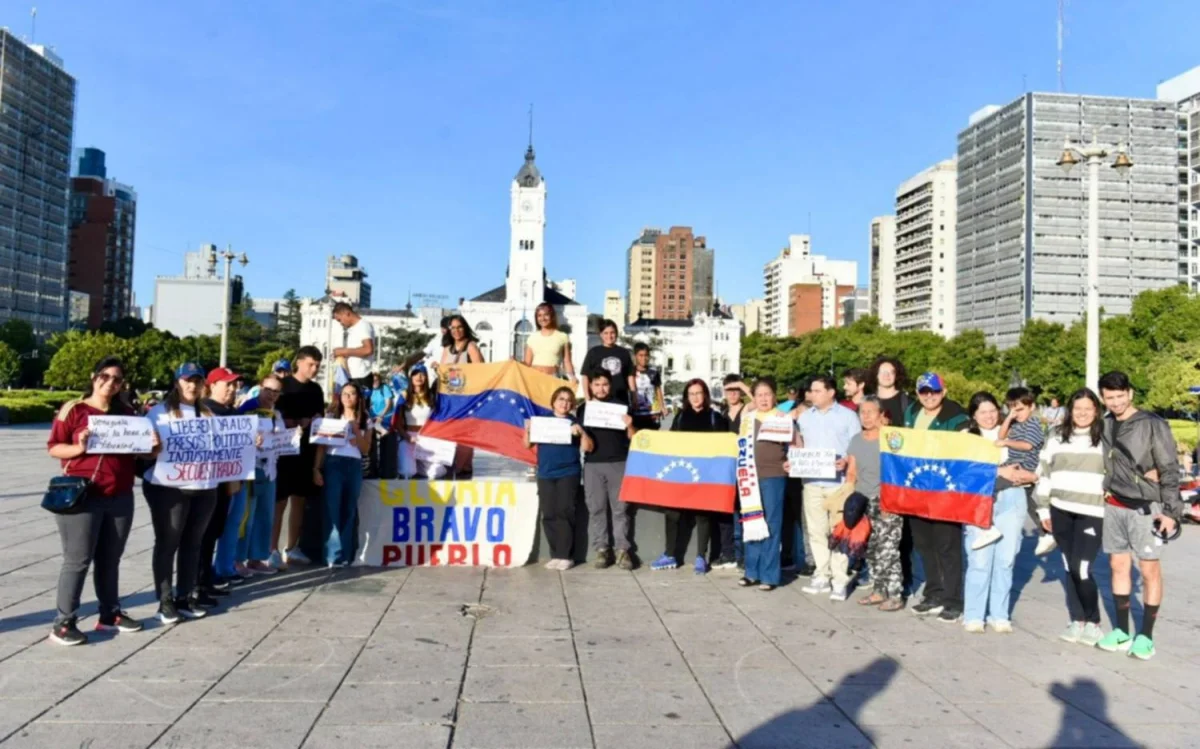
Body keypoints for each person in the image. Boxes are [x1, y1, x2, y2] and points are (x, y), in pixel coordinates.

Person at [46, 357, 149, 645]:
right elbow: (54, 448)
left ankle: (109, 613)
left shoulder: (128, 414)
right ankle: (63, 622)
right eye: (105, 376)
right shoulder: (75, 410)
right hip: (83, 495)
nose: (110, 383)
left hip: (120, 496)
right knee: (78, 559)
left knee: (110, 559)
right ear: (94, 377)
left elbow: (140, 454)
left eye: (117, 379)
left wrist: (151, 446)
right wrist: (79, 447)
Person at [1095, 371, 1182, 660]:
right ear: (1103, 398)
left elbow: (1169, 467)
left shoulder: (1152, 424)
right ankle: (1121, 631)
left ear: (1130, 393)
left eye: (1121, 396)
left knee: (1149, 570)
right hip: (1114, 505)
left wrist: (1171, 512)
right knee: (1118, 566)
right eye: (1110, 397)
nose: (1116, 402)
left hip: (1147, 508)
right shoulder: (1106, 424)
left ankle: (1146, 636)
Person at [143, 363, 219, 623]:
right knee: (168, 542)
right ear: (177, 382)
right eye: (187, 380)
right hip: (168, 488)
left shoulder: (208, 414)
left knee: (193, 543)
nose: (192, 385)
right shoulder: (158, 413)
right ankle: (165, 600)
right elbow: (142, 451)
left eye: (197, 380)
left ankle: (185, 595)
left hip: (204, 487)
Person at [962, 392, 1039, 634]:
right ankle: (974, 614)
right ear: (974, 415)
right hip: (980, 502)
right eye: (982, 412)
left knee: (1006, 559)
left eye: (992, 410)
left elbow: (1036, 457)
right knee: (980, 559)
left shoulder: (1015, 431)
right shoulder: (967, 437)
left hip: (1013, 499)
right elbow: (964, 471)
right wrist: (999, 472)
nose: (988, 416)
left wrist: (1032, 475)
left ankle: (999, 614)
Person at [1035, 388, 1107, 647]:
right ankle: (1077, 620)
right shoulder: (1055, 437)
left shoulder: (1106, 437)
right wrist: (1043, 510)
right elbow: (1044, 473)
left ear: (1096, 410)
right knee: (1068, 565)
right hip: (1060, 509)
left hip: (1093, 511)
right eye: (1078, 409)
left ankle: (1094, 622)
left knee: (1083, 568)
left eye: (1088, 408)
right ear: (1069, 411)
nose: (1083, 413)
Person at [903, 372, 970, 623]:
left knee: (948, 546)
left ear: (944, 391)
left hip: (945, 489)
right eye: (924, 391)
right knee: (924, 544)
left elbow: (965, 446)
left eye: (934, 391)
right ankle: (934, 592)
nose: (929, 396)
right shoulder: (911, 412)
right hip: (917, 489)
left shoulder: (956, 415)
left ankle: (953, 599)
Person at [652, 379, 733, 574]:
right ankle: (670, 554)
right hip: (682, 474)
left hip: (706, 476)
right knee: (672, 513)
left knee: (703, 515)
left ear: (705, 395)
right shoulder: (680, 417)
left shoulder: (715, 418)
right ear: (687, 397)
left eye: (699, 393)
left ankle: (700, 557)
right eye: (692, 394)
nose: (696, 397)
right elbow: (671, 441)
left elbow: (724, 446)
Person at [796, 375, 862, 601]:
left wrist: (846, 460)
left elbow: (856, 446)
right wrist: (793, 460)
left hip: (839, 484)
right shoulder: (805, 418)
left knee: (839, 533)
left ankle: (840, 579)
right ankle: (822, 574)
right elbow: (800, 446)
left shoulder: (848, 416)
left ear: (831, 392)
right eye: (811, 391)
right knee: (816, 531)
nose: (811, 395)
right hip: (812, 482)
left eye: (816, 391)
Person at [738, 377, 797, 591]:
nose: (763, 398)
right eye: (759, 395)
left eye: (767, 394)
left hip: (774, 476)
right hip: (750, 476)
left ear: (774, 396)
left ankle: (770, 575)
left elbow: (797, 445)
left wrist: (793, 461)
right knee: (751, 520)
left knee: (772, 524)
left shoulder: (782, 417)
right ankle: (751, 571)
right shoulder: (748, 418)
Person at [525, 386, 592, 570]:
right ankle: (555, 554)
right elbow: (527, 444)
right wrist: (528, 430)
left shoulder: (574, 421)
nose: (565, 403)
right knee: (549, 513)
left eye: (569, 400)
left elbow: (587, 447)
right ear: (553, 401)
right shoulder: (542, 420)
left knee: (565, 511)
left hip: (568, 473)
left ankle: (566, 555)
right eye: (561, 399)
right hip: (546, 473)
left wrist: (581, 432)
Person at [850, 396, 904, 612]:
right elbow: (852, 472)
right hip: (864, 501)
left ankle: (895, 594)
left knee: (888, 550)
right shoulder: (856, 440)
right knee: (871, 550)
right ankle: (879, 591)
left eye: (871, 411)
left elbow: (899, 471)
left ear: (882, 415)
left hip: (887, 500)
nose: (866, 416)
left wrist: (890, 501)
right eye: (862, 412)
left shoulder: (892, 438)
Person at [273, 346, 326, 569]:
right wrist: (297, 423)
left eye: (317, 366)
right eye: (310, 364)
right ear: (299, 362)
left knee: (300, 501)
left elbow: (320, 418)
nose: (314, 369)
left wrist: (313, 421)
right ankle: (271, 549)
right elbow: (274, 418)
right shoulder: (283, 387)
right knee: (279, 502)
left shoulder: (316, 390)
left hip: (307, 451)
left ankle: (292, 547)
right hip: (284, 451)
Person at [579, 370, 637, 570]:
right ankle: (602, 549)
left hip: (619, 463)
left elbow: (633, 438)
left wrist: (630, 426)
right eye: (597, 384)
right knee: (596, 509)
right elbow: (585, 445)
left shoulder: (622, 407)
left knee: (621, 510)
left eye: (605, 384)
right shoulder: (583, 409)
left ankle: (622, 550)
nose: (601, 388)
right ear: (591, 387)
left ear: (610, 386)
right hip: (593, 464)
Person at [866, 356, 914, 594]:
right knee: (875, 534)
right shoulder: (867, 401)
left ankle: (903, 581)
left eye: (891, 371)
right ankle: (879, 583)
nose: (886, 375)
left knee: (900, 533)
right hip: (871, 472)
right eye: (882, 371)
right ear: (875, 374)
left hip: (897, 472)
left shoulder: (907, 402)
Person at [202, 367, 248, 602]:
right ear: (212, 385)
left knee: (219, 528)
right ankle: (202, 577)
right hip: (208, 482)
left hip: (229, 481)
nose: (232, 388)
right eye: (226, 384)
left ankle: (210, 576)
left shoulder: (234, 412)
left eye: (234, 384)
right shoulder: (204, 411)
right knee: (206, 531)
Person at [313, 383, 372, 567]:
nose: (348, 397)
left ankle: (346, 554)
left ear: (358, 397)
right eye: (345, 394)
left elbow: (366, 448)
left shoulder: (365, 419)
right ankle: (332, 554)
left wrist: (355, 430)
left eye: (352, 394)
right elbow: (322, 446)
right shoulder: (331, 417)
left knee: (349, 509)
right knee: (332, 508)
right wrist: (316, 468)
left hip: (353, 465)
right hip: (334, 463)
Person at [236, 375, 286, 576]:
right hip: (251, 468)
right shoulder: (247, 409)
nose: (271, 395)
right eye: (268, 390)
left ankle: (256, 558)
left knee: (265, 516)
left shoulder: (277, 413)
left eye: (276, 392)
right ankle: (238, 559)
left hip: (270, 469)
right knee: (246, 517)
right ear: (260, 388)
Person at [996, 387, 1052, 555]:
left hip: (1024, 466)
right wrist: (1008, 419)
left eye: (1020, 409)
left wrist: (1007, 443)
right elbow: (1000, 435)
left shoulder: (1033, 424)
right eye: (1013, 409)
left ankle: (1046, 530)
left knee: (994, 487)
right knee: (1026, 502)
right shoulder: (1015, 423)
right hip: (1013, 465)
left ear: (1031, 407)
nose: (1017, 413)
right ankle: (1046, 530)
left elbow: (1027, 445)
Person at [394, 364, 446, 479]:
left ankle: (418, 463)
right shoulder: (404, 395)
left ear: (426, 377)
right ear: (410, 377)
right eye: (415, 374)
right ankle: (411, 463)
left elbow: (445, 383)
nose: (419, 376)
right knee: (407, 472)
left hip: (427, 438)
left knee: (436, 472)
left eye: (422, 373)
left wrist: (439, 370)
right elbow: (397, 422)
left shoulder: (432, 396)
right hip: (408, 437)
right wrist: (408, 437)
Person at [722, 375, 750, 569]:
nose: (732, 394)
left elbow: (760, 402)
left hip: (743, 465)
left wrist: (743, 385)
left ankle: (744, 555)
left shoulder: (746, 409)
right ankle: (730, 552)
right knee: (729, 511)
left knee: (743, 512)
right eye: (728, 390)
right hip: (726, 467)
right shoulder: (722, 412)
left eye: (735, 390)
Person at [581, 319, 635, 407]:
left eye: (612, 332)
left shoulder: (624, 352)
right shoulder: (593, 352)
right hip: (598, 399)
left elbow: (630, 376)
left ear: (616, 333)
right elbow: (585, 376)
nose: (609, 336)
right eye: (605, 333)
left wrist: (634, 396)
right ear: (601, 335)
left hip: (620, 399)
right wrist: (587, 397)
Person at [523, 302, 577, 383]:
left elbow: (567, 361)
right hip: (534, 380)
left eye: (546, 315)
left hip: (553, 379)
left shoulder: (563, 337)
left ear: (552, 316)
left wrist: (572, 377)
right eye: (539, 315)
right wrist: (514, 362)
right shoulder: (532, 338)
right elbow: (527, 363)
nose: (543, 318)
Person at [332, 302, 376, 390]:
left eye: (340, 320)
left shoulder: (363, 325)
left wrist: (344, 351)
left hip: (361, 376)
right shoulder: (352, 329)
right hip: (352, 376)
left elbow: (368, 349)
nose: (341, 323)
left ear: (347, 314)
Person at [367, 370, 396, 479]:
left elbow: (389, 403)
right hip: (373, 419)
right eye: (373, 380)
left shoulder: (385, 388)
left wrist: (381, 415)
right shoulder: (369, 390)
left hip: (385, 417)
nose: (375, 382)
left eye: (376, 380)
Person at [630, 342, 664, 431]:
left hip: (653, 412)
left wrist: (662, 407)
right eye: (640, 355)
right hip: (637, 413)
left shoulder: (654, 372)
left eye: (646, 355)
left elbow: (658, 390)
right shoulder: (630, 372)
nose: (644, 358)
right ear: (635, 356)